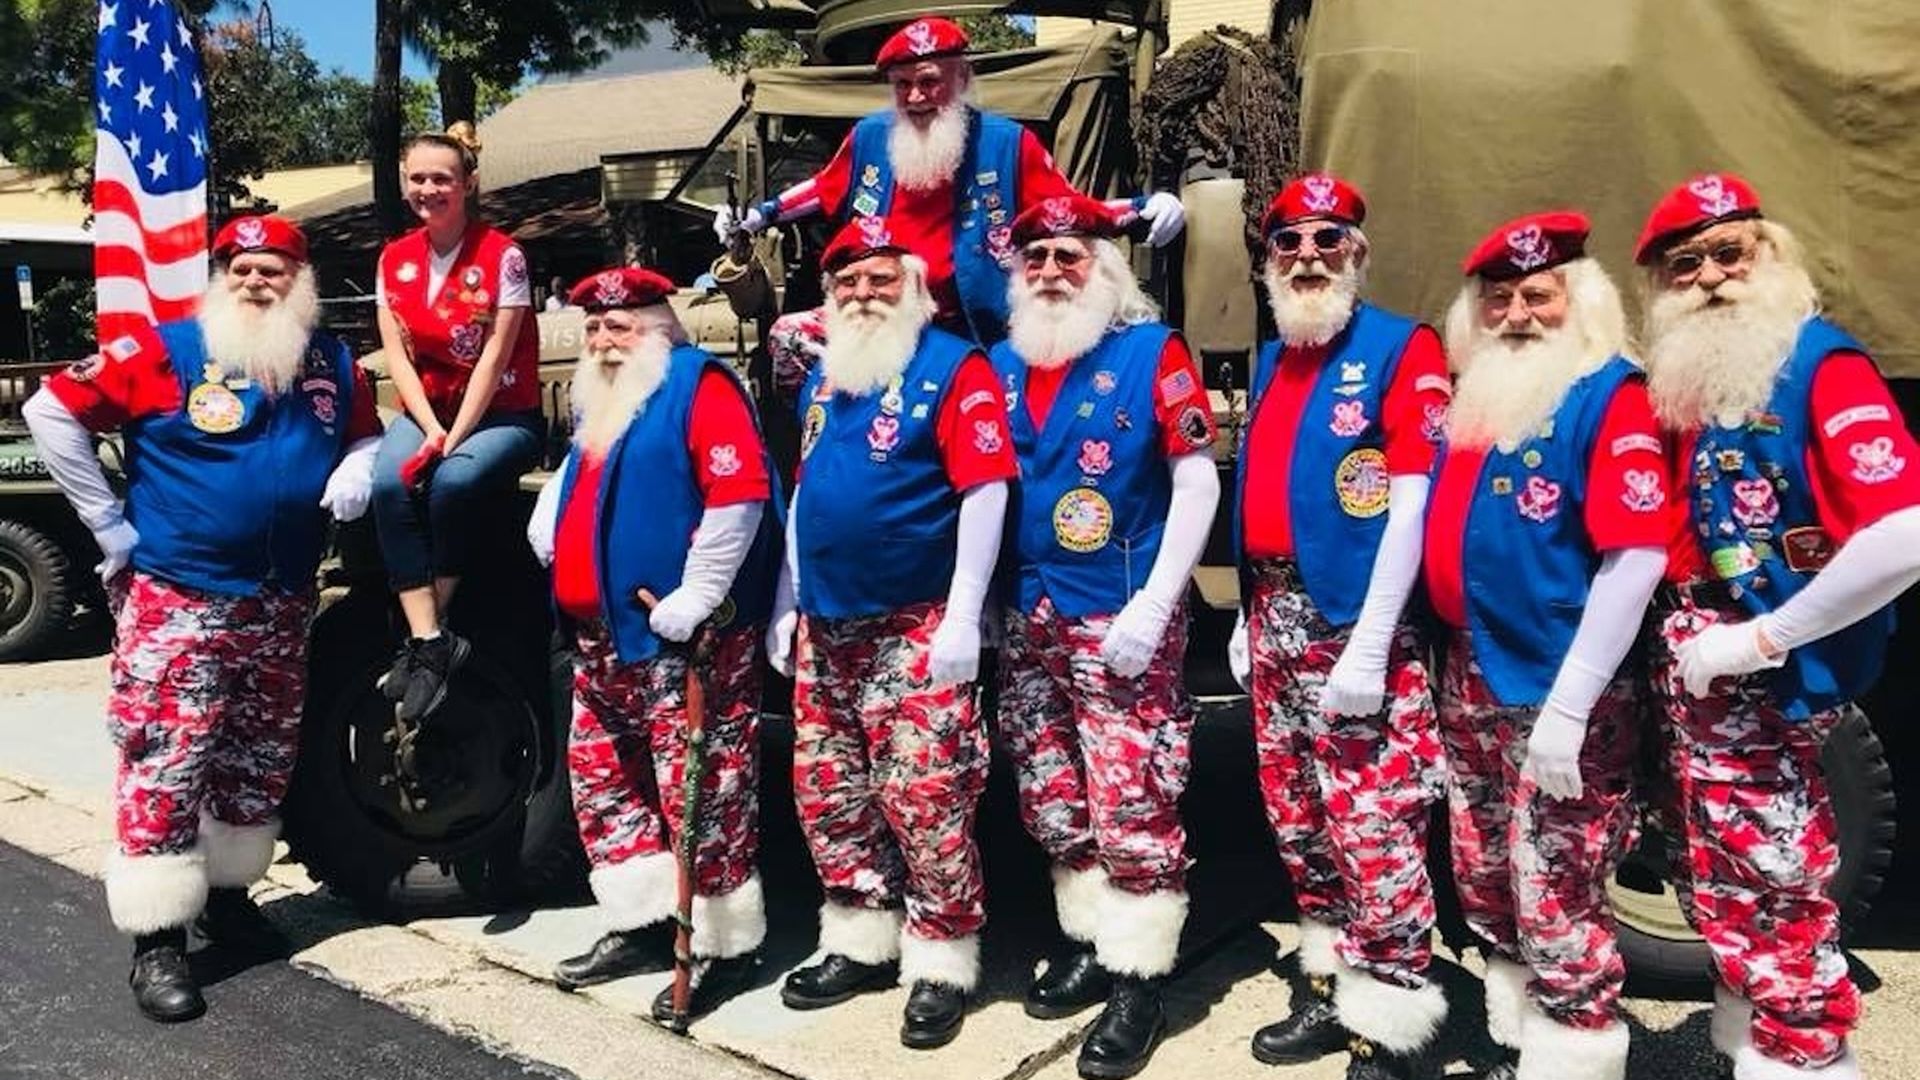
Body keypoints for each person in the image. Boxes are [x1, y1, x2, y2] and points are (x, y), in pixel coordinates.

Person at [22, 215, 382, 1022]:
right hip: (181, 594)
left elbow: (362, 436)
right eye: (244, 268)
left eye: (276, 269)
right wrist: (106, 523)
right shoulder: (165, 349)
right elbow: (52, 411)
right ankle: (157, 942)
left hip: (282, 598)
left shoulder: (330, 361)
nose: (260, 281)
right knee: (167, 757)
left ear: (302, 279)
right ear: (222, 277)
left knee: (256, 757)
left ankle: (226, 900)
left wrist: (360, 465)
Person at [1636, 173, 1920, 1080]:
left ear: (1771, 255)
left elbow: (1903, 533)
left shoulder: (1819, 366)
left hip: (1771, 679)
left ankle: (1804, 1057)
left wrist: (1765, 639)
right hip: (1701, 676)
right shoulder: (1695, 379)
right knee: (1722, 887)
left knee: (1781, 887)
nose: (1711, 276)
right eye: (1686, 264)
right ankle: (1755, 1045)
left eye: (1730, 252)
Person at [1426, 212, 1668, 1080]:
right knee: (1486, 865)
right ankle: (1517, 1038)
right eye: (1498, 301)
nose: (1518, 315)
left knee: (1559, 882)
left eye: (1538, 296)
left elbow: (1636, 555)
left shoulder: (1609, 395)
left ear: (1580, 301)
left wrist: (1571, 705)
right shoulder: (1481, 396)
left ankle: (1575, 1048)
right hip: (1474, 676)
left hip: (1563, 686)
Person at [765, 215, 1014, 1049]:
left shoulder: (956, 369)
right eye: (848, 283)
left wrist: (964, 614)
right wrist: (784, 599)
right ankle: (861, 934)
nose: (863, 294)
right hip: (827, 626)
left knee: (927, 794)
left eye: (880, 279)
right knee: (827, 788)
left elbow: (985, 492)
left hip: (917, 623)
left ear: (915, 287)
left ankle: (942, 952)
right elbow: (808, 494)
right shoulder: (825, 379)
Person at [987, 194, 1220, 1079]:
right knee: (1050, 791)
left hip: (1117, 616)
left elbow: (1196, 483)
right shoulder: (1004, 364)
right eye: (1035, 257)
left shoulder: (1147, 353)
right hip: (1031, 613)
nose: (1051, 272)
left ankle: (1139, 977)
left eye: (1069, 256)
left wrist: (1158, 605)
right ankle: (1090, 936)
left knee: (1133, 797)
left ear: (1105, 269)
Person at [1229, 173, 1453, 1080]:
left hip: (1359, 624)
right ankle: (1333, 985)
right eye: (1290, 243)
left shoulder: (1404, 347)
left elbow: (1413, 503)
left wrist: (1372, 639)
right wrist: (1250, 613)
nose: (1309, 257)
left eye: (1328, 239)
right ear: (1268, 260)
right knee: (1301, 819)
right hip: (1279, 615)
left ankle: (1392, 1022)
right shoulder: (1272, 355)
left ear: (1357, 251)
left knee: (1375, 825)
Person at [524, 266, 781, 1019]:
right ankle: (641, 922)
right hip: (602, 640)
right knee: (606, 780)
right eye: (596, 327)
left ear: (661, 324)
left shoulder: (699, 385)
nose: (605, 339)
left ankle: (725, 944)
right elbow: (587, 467)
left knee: (702, 792)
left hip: (680, 640)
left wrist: (697, 594)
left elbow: (739, 494)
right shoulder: (610, 392)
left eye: (622, 324)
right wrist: (553, 520)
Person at [717, 15, 1185, 344]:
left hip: (977, 327)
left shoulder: (1006, 143)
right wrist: (755, 217)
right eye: (903, 85)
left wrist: (1143, 209)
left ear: (961, 79)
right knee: (789, 339)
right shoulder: (869, 137)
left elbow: (1066, 208)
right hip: (880, 313)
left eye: (929, 81)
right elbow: (822, 189)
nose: (916, 97)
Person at [369, 121, 544, 721]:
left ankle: (431, 625)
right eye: (417, 178)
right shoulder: (393, 261)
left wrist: (454, 437)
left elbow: (496, 356)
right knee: (389, 482)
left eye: (441, 178)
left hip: (499, 413)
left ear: (467, 183)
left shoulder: (504, 256)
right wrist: (428, 426)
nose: (428, 189)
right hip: (427, 410)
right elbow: (396, 354)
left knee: (456, 482)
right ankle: (430, 641)